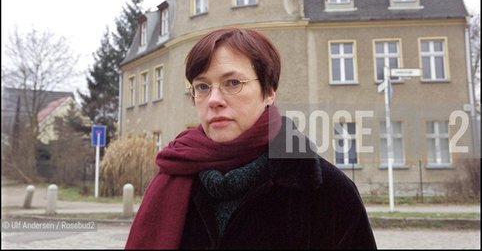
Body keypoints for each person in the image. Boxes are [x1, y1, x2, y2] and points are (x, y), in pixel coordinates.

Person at [125, 28, 377, 249]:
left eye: (232, 83)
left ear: (268, 92)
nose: (214, 100)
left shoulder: (327, 191)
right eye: (202, 86)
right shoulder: (175, 172)